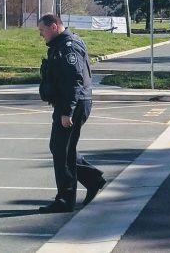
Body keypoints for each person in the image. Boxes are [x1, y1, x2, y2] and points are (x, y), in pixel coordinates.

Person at [37, 13, 106, 213]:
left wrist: (67, 112)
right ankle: (93, 180)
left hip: (73, 104)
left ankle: (65, 200)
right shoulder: (62, 44)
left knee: (62, 150)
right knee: (61, 148)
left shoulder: (69, 47)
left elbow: (74, 81)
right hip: (71, 103)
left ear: (54, 27)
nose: (41, 35)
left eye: (42, 30)